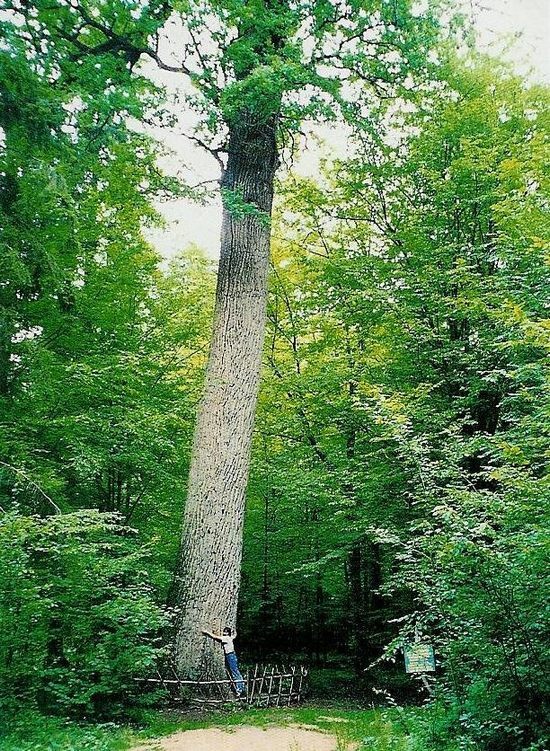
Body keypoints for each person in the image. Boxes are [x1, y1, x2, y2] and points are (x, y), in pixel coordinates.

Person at [202, 626, 246, 697]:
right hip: (232, 655)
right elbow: (234, 636)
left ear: (227, 633)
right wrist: (235, 631)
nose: (223, 633)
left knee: (235, 672)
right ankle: (241, 687)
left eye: (225, 632)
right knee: (236, 672)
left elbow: (215, 637)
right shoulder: (230, 638)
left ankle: (239, 690)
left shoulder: (226, 638)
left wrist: (207, 632)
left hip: (230, 656)